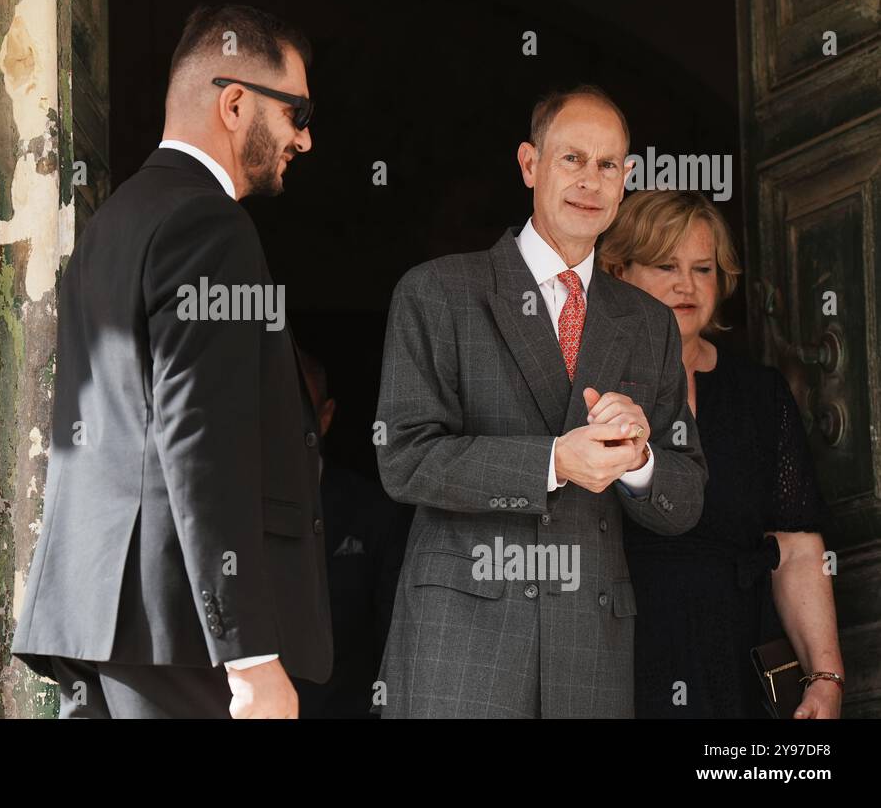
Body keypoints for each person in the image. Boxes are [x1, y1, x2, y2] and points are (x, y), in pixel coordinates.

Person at [11, 4, 331, 718]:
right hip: (179, 633)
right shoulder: (209, 225)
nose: (304, 140)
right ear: (236, 102)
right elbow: (199, 437)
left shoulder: (113, 221)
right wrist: (247, 655)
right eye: (297, 112)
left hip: (98, 619)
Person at [374, 84, 707, 718]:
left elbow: (685, 495)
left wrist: (637, 463)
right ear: (529, 164)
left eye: (607, 165)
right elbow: (405, 460)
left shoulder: (648, 322)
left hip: (590, 650)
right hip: (464, 646)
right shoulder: (439, 292)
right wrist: (555, 462)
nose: (590, 180)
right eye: (571, 159)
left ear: (626, 178)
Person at [599, 188, 844, 718]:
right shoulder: (587, 389)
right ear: (618, 273)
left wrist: (825, 679)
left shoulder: (759, 394)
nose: (686, 285)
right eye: (665, 265)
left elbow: (798, 550)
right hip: (615, 657)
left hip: (734, 658)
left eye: (703, 269)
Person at [291, 347, 412, 718]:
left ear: (324, 417)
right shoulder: (228, 511)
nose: (279, 428)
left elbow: (394, 640)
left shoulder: (374, 513)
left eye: (297, 412)